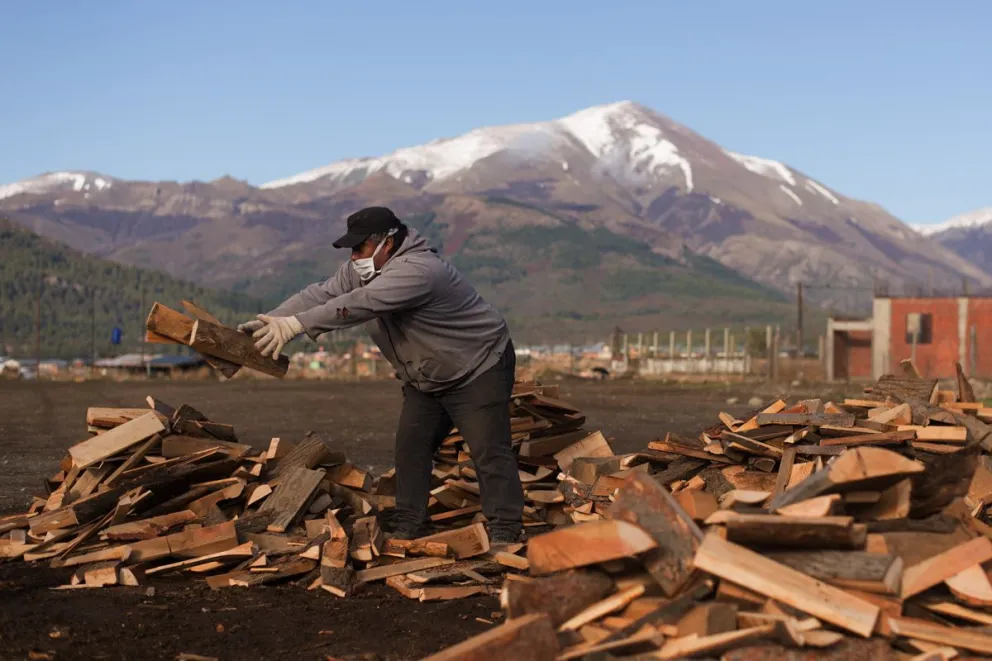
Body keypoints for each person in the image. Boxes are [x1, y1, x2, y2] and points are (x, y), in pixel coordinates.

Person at [239, 206, 525, 544]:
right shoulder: (362, 269)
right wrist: (274, 319)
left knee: (488, 450)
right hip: (426, 376)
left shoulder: (419, 270)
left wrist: (296, 326)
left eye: (360, 248)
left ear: (387, 242)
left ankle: (506, 528)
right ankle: (410, 522)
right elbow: (321, 294)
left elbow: (361, 304)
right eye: (351, 249)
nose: (354, 257)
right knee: (411, 447)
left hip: (477, 367)